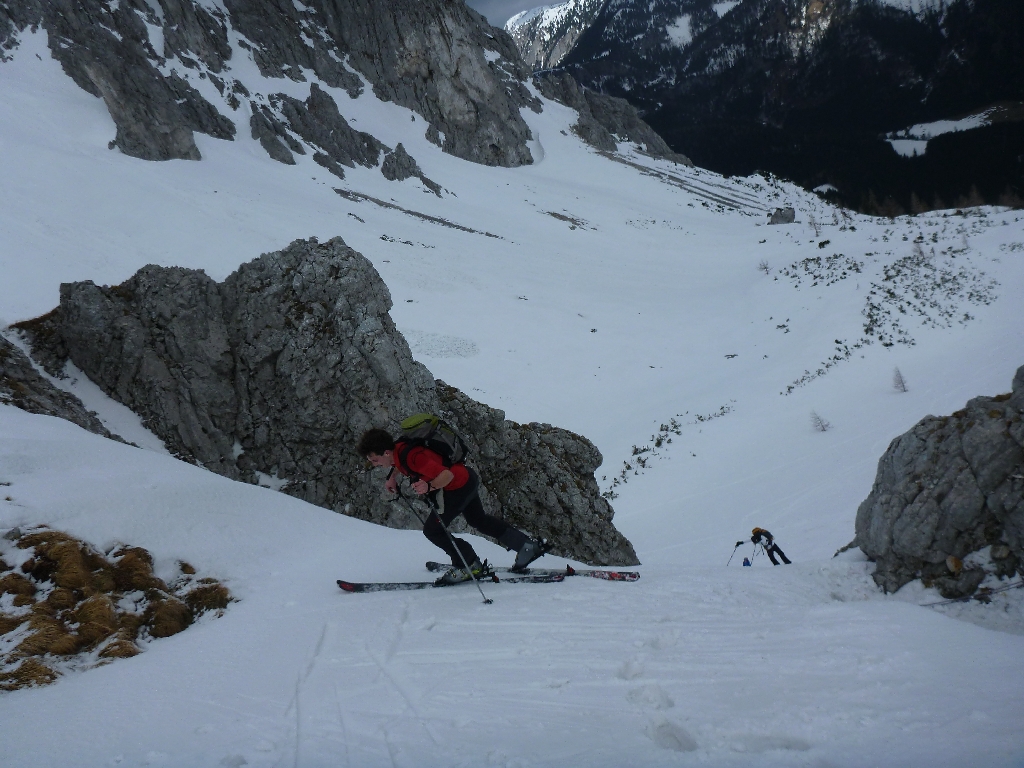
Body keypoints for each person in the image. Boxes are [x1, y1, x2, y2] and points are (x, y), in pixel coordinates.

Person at [358, 428, 545, 584]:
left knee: (433, 530)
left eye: (375, 460)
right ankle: (526, 546)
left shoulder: (413, 457)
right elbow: (401, 464)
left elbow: (447, 475)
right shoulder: (400, 449)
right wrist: (392, 478)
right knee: (478, 520)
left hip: (457, 487)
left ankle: (469, 564)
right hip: (467, 479)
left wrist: (429, 486)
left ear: (386, 452)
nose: (374, 464)